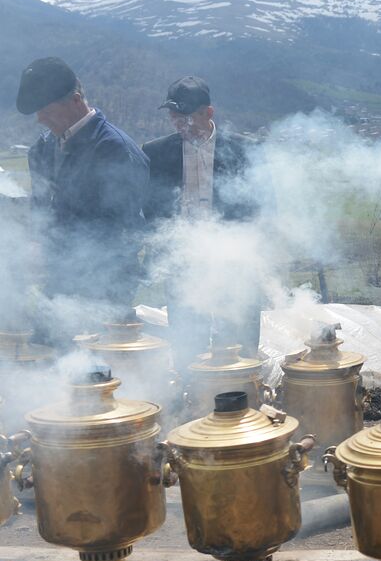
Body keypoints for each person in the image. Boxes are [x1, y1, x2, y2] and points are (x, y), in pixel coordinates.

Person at [16, 57, 148, 342]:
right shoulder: (41, 149)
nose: (40, 118)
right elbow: (40, 211)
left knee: (99, 375)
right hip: (55, 285)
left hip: (102, 288)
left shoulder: (114, 149)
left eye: (47, 109)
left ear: (76, 100)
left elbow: (125, 232)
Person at [141, 75, 260, 369]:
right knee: (187, 341)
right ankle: (190, 394)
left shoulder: (246, 151)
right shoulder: (155, 152)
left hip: (233, 259)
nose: (182, 127)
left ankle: (243, 398)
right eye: (175, 120)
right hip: (182, 258)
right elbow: (151, 209)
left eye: (187, 119)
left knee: (237, 340)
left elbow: (260, 208)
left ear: (208, 113)